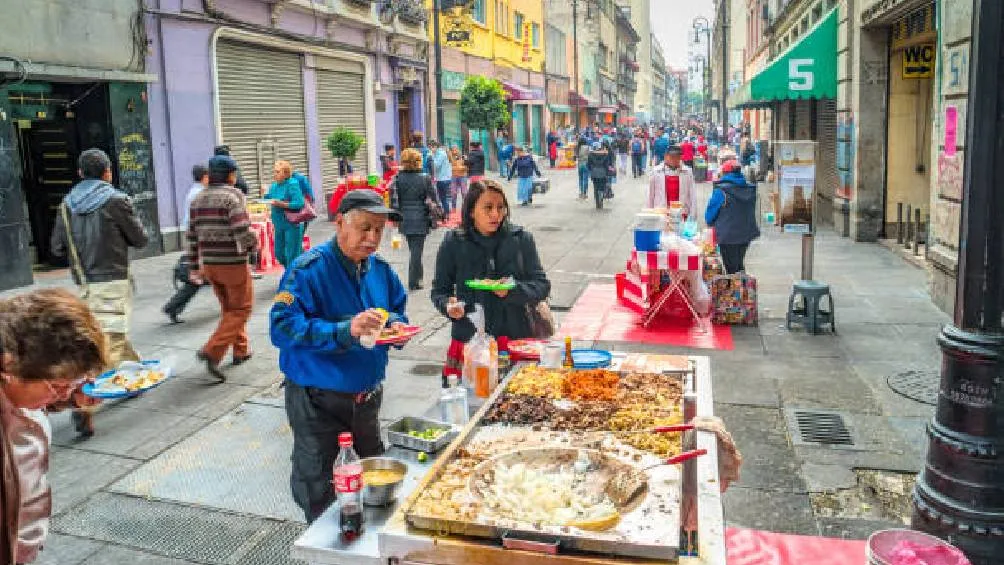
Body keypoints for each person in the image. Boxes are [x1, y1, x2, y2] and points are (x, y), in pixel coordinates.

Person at [270, 190, 409, 523]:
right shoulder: (308, 269)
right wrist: (345, 330)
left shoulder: (381, 270)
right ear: (339, 224)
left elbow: (398, 313)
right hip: (319, 401)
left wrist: (396, 328)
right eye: (364, 228)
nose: (373, 237)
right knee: (321, 485)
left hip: (366, 399)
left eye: (379, 229)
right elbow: (282, 329)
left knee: (371, 477)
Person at [0, 289, 109, 565]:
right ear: (8, 367)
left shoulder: (20, 390)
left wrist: (72, 394)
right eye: (58, 386)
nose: (63, 394)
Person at [50, 148, 148, 438]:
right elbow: (140, 239)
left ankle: (135, 375)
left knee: (108, 333)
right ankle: (84, 404)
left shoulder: (66, 205)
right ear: (108, 172)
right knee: (109, 343)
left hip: (85, 283)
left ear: (80, 173)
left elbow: (56, 248)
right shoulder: (116, 200)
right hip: (112, 280)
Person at [431, 179, 550, 386]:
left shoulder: (521, 239)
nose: (495, 214)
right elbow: (439, 290)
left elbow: (541, 285)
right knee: (469, 403)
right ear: (471, 211)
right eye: (488, 208)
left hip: (514, 339)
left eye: (500, 207)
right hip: (469, 341)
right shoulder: (454, 242)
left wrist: (512, 290)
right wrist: (448, 306)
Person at [187, 155, 259, 381]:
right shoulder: (233, 196)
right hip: (232, 263)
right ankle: (212, 351)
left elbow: (191, 236)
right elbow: (241, 230)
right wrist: (253, 247)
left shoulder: (197, 199)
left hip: (210, 264)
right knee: (241, 309)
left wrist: (193, 265)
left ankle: (241, 350)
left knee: (230, 309)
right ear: (230, 175)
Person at [163, 163, 210, 324]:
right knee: (199, 278)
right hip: (199, 239)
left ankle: (173, 307)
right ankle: (172, 307)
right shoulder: (200, 194)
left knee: (200, 278)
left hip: (194, 238)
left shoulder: (194, 192)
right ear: (205, 177)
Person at [392, 149, 439, 290]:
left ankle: (418, 278)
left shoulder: (398, 178)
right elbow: (433, 197)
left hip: (404, 218)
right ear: (418, 162)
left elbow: (394, 200)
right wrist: (438, 210)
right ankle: (414, 281)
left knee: (415, 249)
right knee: (416, 251)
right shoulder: (425, 178)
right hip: (420, 217)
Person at [705, 160, 760, 274]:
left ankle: (738, 289)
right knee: (739, 264)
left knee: (731, 268)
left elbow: (709, 216)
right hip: (746, 234)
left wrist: (710, 223)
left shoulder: (721, 191)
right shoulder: (750, 189)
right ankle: (744, 288)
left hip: (727, 236)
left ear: (724, 173)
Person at [264, 160, 306, 269]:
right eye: (274, 172)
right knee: (279, 253)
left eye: (277, 172)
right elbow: (269, 199)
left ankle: (291, 277)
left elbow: (299, 203)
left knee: (292, 254)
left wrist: (281, 204)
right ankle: (295, 270)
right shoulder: (274, 186)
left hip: (291, 223)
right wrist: (265, 195)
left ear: (286, 173)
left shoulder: (292, 184)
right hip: (278, 224)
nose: (275, 174)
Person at [647, 146, 697, 218]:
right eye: (672, 157)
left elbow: (692, 194)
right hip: (661, 212)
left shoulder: (688, 172)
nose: (675, 159)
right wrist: (649, 215)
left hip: (682, 213)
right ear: (665, 157)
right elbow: (650, 195)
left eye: (678, 157)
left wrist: (693, 215)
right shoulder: (655, 172)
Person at [428, 140, 453, 217]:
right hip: (442, 178)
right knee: (443, 197)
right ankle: (446, 213)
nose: (430, 149)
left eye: (431, 147)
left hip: (443, 179)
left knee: (443, 198)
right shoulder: (439, 153)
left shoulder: (441, 154)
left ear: (435, 146)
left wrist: (431, 156)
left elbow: (436, 165)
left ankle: (446, 214)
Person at [587, 142, 611, 209]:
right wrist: (608, 172)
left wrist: (591, 169)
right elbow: (607, 165)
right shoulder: (605, 154)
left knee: (596, 187)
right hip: (603, 173)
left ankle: (597, 203)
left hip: (594, 173)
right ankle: (601, 199)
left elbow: (588, 165)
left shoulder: (590, 155)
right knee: (602, 187)